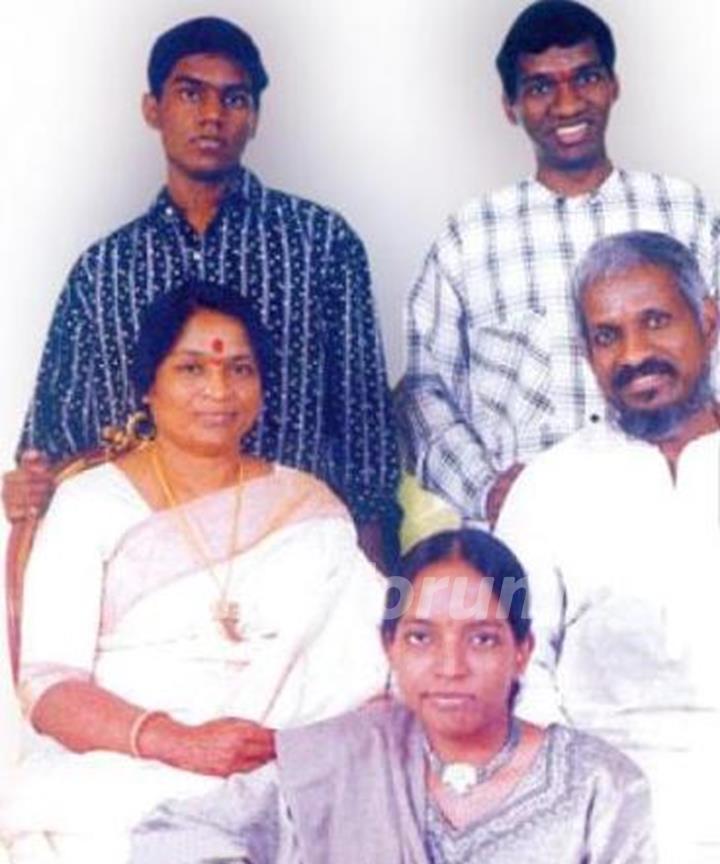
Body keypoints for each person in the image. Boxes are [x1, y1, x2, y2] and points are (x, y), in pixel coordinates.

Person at [0, 284, 388, 864]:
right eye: (191, 368)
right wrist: (179, 742)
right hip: (129, 768)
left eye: (239, 369)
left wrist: (294, 750)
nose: (218, 391)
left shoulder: (308, 505)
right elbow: (51, 690)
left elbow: (373, 672)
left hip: (286, 767)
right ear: (147, 385)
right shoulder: (88, 505)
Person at [4, 16, 399, 566]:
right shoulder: (104, 271)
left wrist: (375, 580)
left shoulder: (321, 244)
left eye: (234, 99)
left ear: (255, 117)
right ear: (152, 108)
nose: (212, 115)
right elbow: (53, 443)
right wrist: (30, 485)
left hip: (298, 549)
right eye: (191, 93)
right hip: (146, 565)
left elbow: (364, 428)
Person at [129, 529, 655, 864]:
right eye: (421, 637)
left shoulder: (598, 785)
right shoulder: (345, 758)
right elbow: (171, 835)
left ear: (522, 651)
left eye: (482, 639)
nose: (451, 667)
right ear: (391, 648)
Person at [398, 0, 719, 529]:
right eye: (541, 87)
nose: (568, 103)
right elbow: (422, 389)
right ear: (510, 105)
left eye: (586, 77)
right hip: (529, 526)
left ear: (614, 85)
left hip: (683, 510)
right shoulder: (471, 236)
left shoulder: (683, 211)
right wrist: (487, 490)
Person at [496, 231, 720, 862]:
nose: (635, 353)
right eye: (607, 335)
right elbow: (518, 663)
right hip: (603, 795)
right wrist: (574, 798)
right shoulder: (549, 484)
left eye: (655, 322)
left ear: (708, 320)